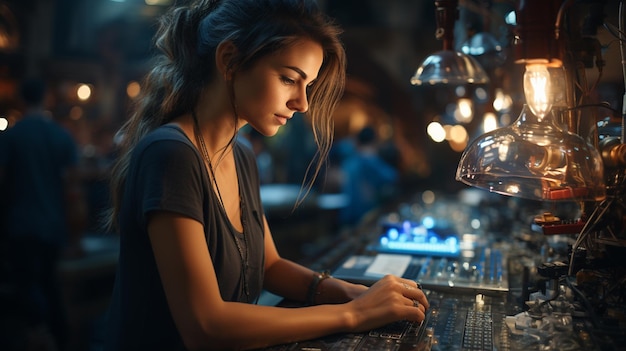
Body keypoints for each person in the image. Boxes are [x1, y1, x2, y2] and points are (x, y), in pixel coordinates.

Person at [101, 1, 428, 350]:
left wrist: (348, 292)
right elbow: (204, 326)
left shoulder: (240, 153)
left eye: (308, 85)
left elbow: (269, 264)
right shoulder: (171, 153)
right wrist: (355, 314)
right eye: (289, 79)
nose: (302, 103)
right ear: (229, 60)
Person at [0, 77, 84, 351]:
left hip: (20, 223)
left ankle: (38, 332)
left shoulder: (12, 137)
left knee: (25, 283)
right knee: (50, 282)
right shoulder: (61, 136)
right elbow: (73, 187)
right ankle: (59, 337)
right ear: (45, 98)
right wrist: (75, 236)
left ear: (21, 99)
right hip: (53, 223)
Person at [339, 126, 399, 226]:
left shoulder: (349, 163)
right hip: (367, 215)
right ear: (374, 141)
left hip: (348, 215)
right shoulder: (371, 160)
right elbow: (392, 176)